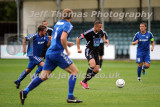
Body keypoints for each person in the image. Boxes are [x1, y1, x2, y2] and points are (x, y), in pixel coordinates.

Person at [19, 8, 83, 105]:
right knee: (74, 71)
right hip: (57, 53)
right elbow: (62, 38)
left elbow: (54, 38)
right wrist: (66, 49)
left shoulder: (57, 23)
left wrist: (67, 43)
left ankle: (25, 92)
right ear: (71, 16)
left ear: (62, 16)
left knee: (43, 76)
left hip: (49, 53)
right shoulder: (68, 25)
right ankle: (70, 97)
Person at [76, 20, 108, 89]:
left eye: (101, 27)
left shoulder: (101, 32)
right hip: (89, 50)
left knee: (96, 70)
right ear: (95, 27)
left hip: (96, 52)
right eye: (99, 27)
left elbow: (103, 35)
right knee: (92, 65)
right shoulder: (89, 32)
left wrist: (104, 40)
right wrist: (78, 48)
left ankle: (84, 81)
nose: (101, 29)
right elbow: (78, 38)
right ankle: (84, 82)